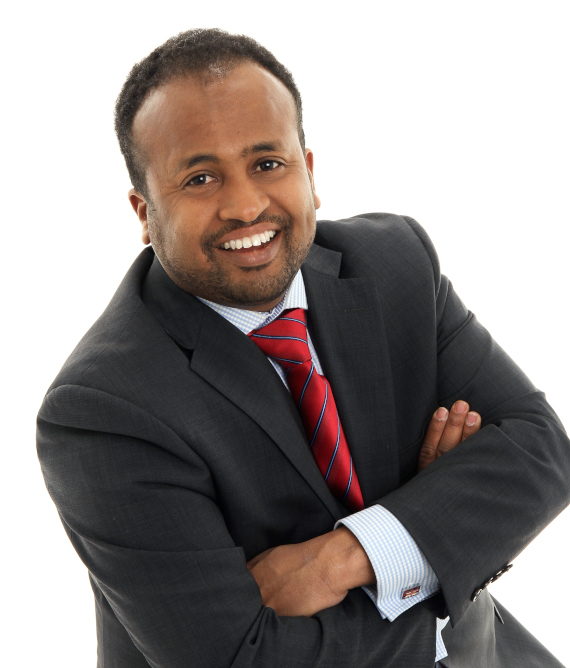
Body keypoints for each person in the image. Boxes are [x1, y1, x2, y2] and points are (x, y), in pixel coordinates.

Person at [36, 29, 570, 667]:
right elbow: (237, 658)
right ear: (144, 213)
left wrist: (341, 558)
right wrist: (440, 532)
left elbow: (542, 450)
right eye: (201, 178)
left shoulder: (395, 264)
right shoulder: (102, 408)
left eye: (267, 164)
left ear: (309, 172)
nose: (245, 206)